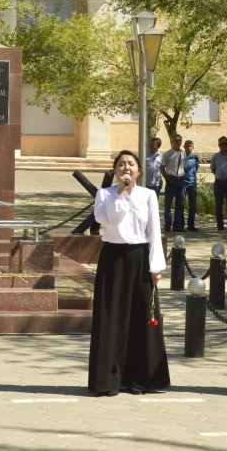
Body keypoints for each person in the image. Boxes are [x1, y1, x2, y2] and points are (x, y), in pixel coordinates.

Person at [88, 150, 170, 396]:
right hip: (113, 258)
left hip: (140, 258)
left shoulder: (148, 195)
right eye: (121, 164)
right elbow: (107, 220)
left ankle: (138, 379)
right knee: (111, 317)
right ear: (115, 170)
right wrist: (121, 194)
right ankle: (108, 380)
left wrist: (156, 267)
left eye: (131, 164)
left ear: (139, 170)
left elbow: (154, 232)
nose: (126, 168)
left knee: (140, 319)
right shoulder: (105, 195)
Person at [160, 134, 186, 232]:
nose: (178, 142)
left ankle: (177, 226)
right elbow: (162, 167)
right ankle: (167, 225)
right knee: (168, 204)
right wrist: (166, 177)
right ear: (173, 141)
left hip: (181, 180)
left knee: (180, 204)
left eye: (180, 140)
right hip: (171, 180)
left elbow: (184, 167)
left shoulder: (183, 154)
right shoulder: (168, 154)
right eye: (176, 140)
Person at [210, 136, 227, 232]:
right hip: (219, 183)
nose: (224, 145)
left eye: (225, 143)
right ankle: (220, 225)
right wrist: (220, 175)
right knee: (218, 204)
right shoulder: (215, 156)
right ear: (219, 145)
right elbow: (213, 169)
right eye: (221, 144)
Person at [182, 140, 200, 231]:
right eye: (187, 146)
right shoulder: (181, 156)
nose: (189, 147)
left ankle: (191, 225)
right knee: (181, 204)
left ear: (193, 147)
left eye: (190, 146)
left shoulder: (195, 157)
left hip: (192, 183)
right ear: (184, 147)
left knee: (192, 205)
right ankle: (180, 224)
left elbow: (196, 168)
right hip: (182, 183)